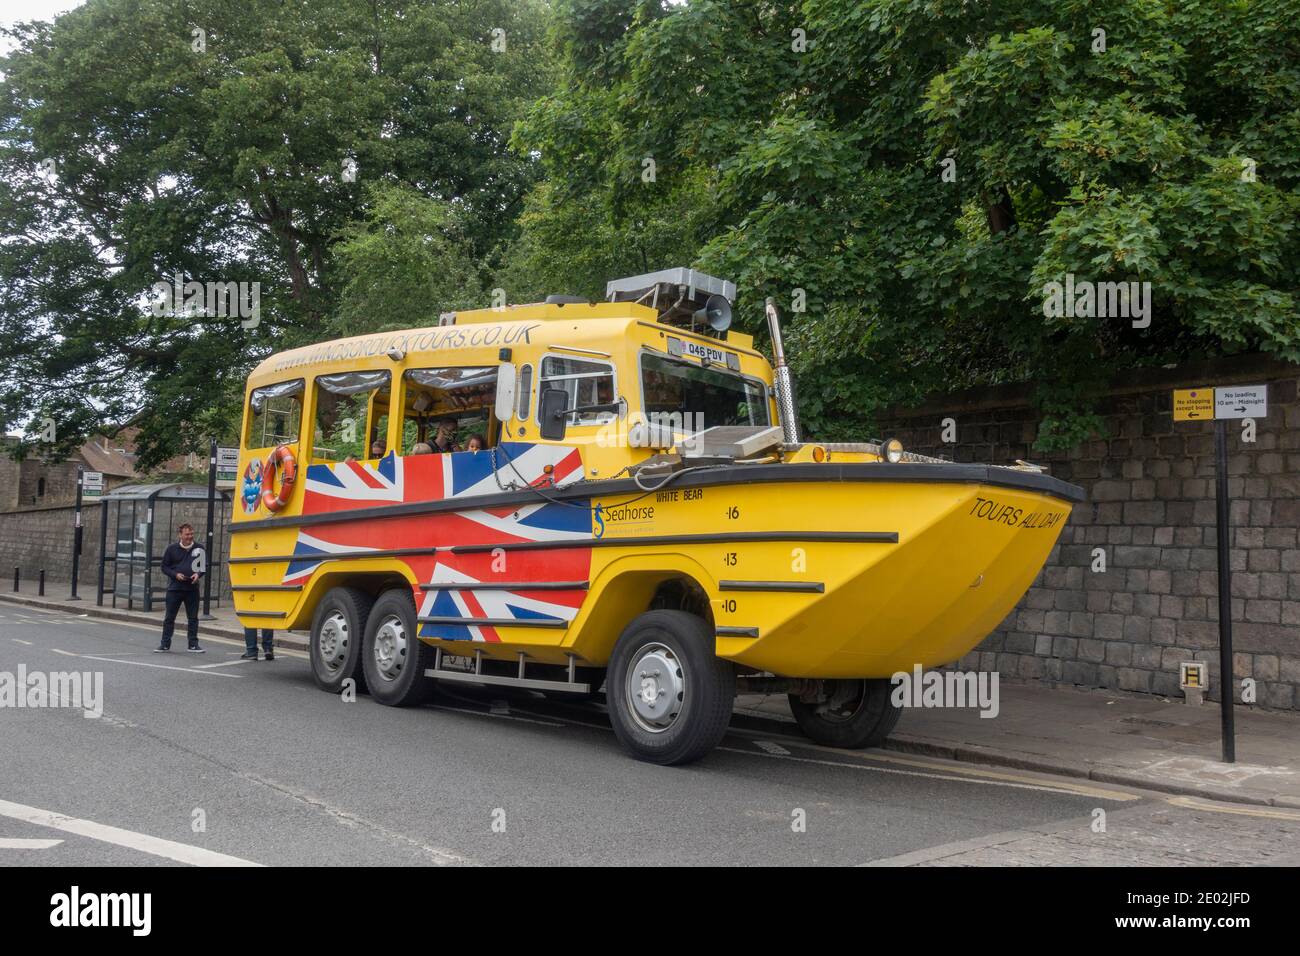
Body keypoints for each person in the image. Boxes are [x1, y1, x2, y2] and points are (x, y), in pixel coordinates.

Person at [155, 523, 204, 653]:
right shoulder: (171, 549)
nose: (190, 537)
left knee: (193, 618)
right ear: (180, 535)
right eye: (187, 534)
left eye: (192, 534)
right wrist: (175, 575)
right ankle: (165, 644)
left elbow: (204, 566)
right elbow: (164, 567)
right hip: (175, 589)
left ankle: (193, 645)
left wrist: (197, 574)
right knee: (169, 618)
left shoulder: (199, 548)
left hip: (192, 589)